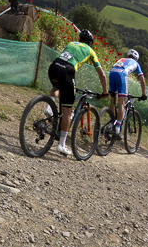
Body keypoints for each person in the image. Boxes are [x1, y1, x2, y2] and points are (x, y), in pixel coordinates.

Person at [46, 28, 108, 156]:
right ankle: (61, 144)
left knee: (57, 87)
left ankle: (49, 106)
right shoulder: (90, 51)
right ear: (90, 43)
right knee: (67, 111)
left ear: (79, 39)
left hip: (54, 67)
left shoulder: (71, 43)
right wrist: (105, 92)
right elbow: (102, 74)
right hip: (67, 72)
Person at [105, 49, 147, 138]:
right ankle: (117, 128)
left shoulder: (121, 59)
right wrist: (143, 94)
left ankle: (112, 124)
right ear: (136, 58)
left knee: (113, 101)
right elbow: (142, 80)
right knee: (122, 103)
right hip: (122, 74)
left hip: (112, 72)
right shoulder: (136, 63)